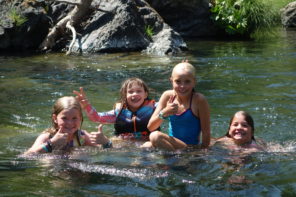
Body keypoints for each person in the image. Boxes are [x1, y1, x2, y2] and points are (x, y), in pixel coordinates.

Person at [73, 78, 157, 148]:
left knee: (148, 145)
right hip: (123, 143)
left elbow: (168, 108)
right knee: (102, 143)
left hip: (146, 142)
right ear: (125, 95)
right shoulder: (118, 111)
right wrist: (86, 106)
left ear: (145, 94)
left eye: (139, 91)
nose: (135, 94)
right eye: (130, 92)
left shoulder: (155, 108)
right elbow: (97, 118)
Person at [147, 61, 211, 151]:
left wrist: (202, 154)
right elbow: (151, 127)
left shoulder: (199, 100)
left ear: (194, 82)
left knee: (155, 136)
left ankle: (173, 162)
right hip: (173, 145)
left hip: (190, 148)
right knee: (146, 145)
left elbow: (206, 132)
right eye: (178, 81)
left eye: (187, 82)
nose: (182, 86)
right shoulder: (167, 96)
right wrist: (165, 112)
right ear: (171, 81)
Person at [25, 96, 110, 154]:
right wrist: (51, 143)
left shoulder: (82, 137)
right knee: (50, 160)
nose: (69, 123)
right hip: (56, 170)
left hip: (76, 170)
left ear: (80, 118)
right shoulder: (47, 137)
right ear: (55, 118)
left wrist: (105, 142)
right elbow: (27, 155)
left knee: (82, 155)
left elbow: (108, 151)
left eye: (74, 118)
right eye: (64, 118)